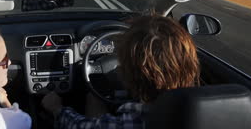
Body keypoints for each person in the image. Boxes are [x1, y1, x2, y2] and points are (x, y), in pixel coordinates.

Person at [42, 15, 200, 129]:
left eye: (122, 62)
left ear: (128, 74)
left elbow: (79, 125)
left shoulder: (137, 122)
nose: (118, 67)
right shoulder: (202, 108)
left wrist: (57, 109)